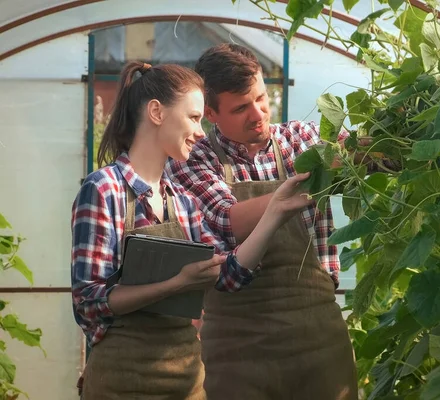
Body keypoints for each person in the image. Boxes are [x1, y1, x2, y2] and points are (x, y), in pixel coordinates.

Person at [71, 61, 312, 399]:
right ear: (156, 112)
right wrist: (177, 284)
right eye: (194, 118)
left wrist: (275, 212)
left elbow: (228, 275)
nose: (201, 133)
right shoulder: (103, 190)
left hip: (186, 379)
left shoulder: (182, 200)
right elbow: (89, 301)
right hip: (121, 379)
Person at [167, 44, 358, 400]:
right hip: (239, 346)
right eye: (240, 108)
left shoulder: (302, 139)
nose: (257, 113)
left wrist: (374, 150)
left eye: (260, 98)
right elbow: (225, 221)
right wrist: (293, 192)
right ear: (211, 113)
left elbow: (359, 155)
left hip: (319, 334)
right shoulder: (194, 158)